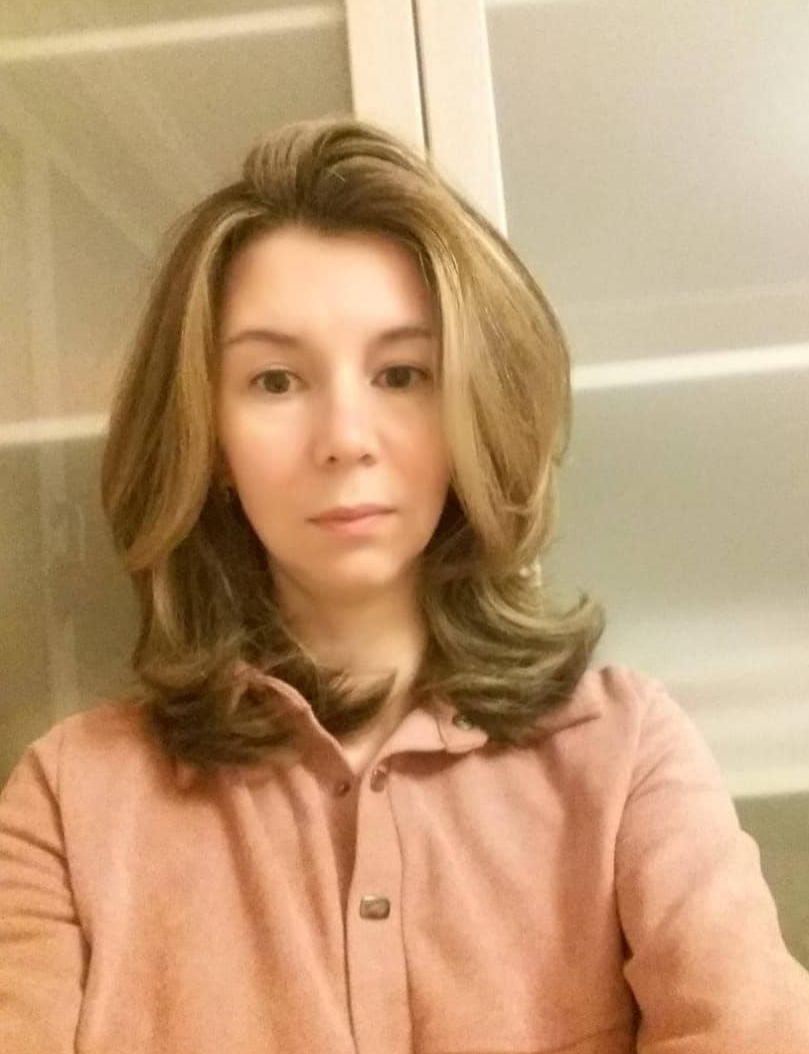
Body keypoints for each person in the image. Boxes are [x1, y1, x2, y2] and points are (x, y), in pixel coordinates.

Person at [0, 115, 807, 1054]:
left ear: (469, 409)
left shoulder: (625, 755)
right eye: (274, 381)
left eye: (400, 373)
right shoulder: (71, 798)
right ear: (208, 437)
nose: (346, 438)